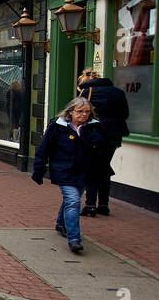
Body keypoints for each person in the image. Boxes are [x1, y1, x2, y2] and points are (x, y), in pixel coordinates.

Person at [33, 97, 107, 254]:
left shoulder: (94, 128)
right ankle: (74, 238)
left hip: (85, 171)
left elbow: (102, 151)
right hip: (64, 169)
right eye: (80, 111)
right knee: (73, 201)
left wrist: (98, 144)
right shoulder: (57, 127)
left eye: (87, 112)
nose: (84, 115)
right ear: (71, 111)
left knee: (71, 200)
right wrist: (38, 171)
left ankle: (60, 223)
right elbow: (44, 148)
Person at [77, 72, 129, 217]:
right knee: (104, 168)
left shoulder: (87, 92)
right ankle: (104, 205)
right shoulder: (118, 92)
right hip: (113, 136)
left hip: (94, 135)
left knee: (91, 169)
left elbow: (79, 114)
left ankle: (90, 205)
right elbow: (125, 113)